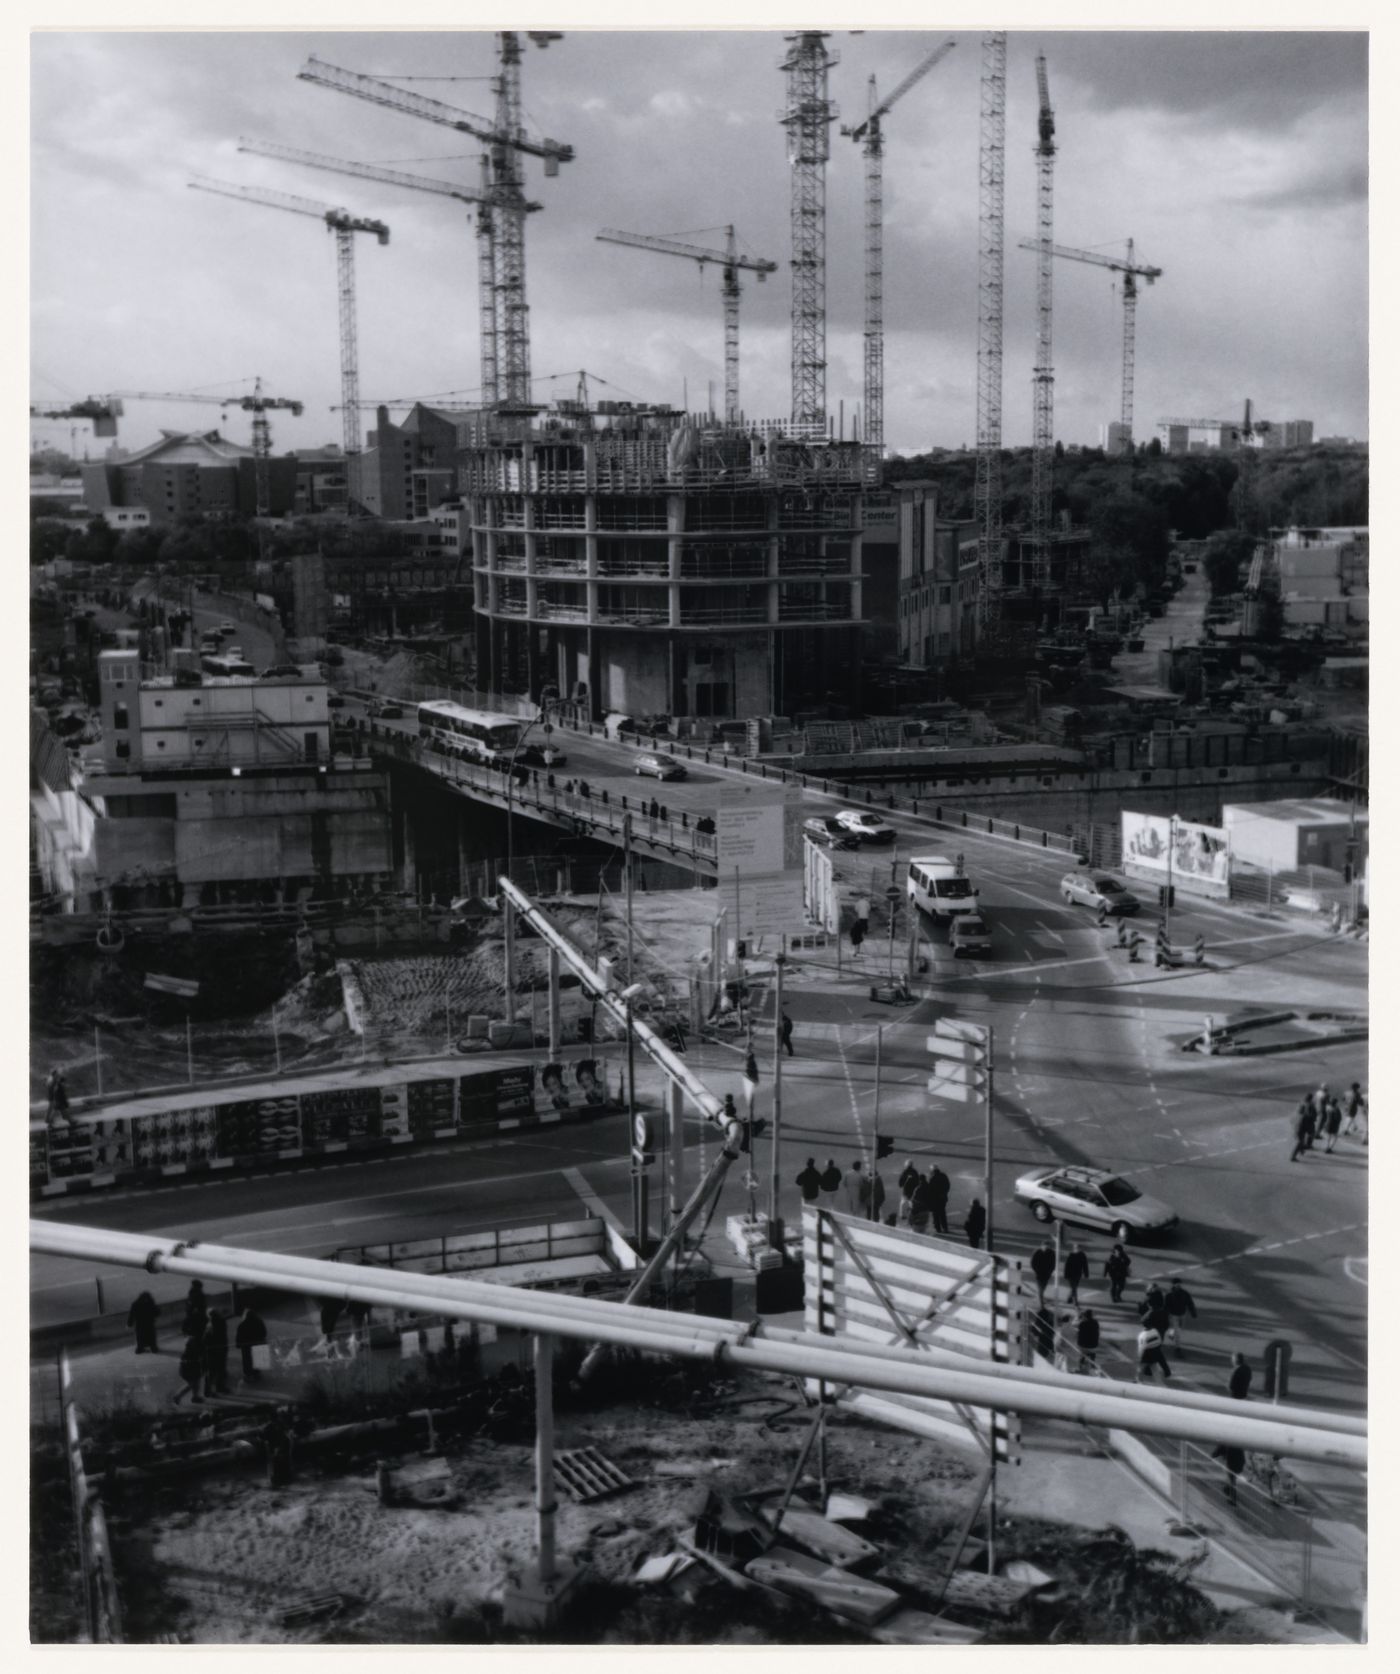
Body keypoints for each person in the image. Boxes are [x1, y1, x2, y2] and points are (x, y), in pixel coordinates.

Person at [236, 1304, 268, 1383]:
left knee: (247, 1361)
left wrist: (238, 1344)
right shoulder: (259, 1321)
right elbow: (264, 1332)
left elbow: (239, 1336)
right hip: (257, 1344)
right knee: (257, 1359)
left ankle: (248, 1375)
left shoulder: (242, 1324)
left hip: (246, 1346)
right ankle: (256, 1374)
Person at [1164, 1277, 1198, 1349]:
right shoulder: (1169, 1295)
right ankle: (1177, 1348)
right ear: (1173, 1285)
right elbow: (1166, 1306)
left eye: (1179, 1284)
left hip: (1182, 1314)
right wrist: (1165, 1315)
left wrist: (1193, 1312)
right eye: (1176, 1284)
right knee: (1178, 1333)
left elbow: (1190, 1303)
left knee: (1180, 1328)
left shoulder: (1185, 1293)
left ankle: (1171, 1333)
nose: (1178, 1285)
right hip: (1173, 1315)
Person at [172, 1332, 205, 1404]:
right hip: (189, 1368)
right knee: (192, 1384)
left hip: (192, 1367)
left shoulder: (190, 1347)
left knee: (196, 1382)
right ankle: (177, 1396)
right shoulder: (191, 1349)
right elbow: (200, 1354)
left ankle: (195, 1397)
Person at [203, 1309, 230, 1395]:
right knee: (221, 1370)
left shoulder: (209, 1326)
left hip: (211, 1352)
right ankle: (220, 1387)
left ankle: (207, 1390)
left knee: (211, 1372)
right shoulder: (222, 1323)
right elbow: (224, 1337)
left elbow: (205, 1340)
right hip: (221, 1350)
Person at [1213, 1441, 1245, 1506]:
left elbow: (1219, 1450)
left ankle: (1233, 1499)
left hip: (1232, 1463)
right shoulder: (1236, 1443)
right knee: (1231, 1478)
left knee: (1232, 1479)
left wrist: (1213, 1455)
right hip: (1238, 1462)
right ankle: (1228, 1488)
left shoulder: (1226, 1442)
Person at [127, 1290, 159, 1355]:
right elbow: (157, 1312)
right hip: (149, 1323)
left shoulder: (135, 1304)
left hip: (140, 1324)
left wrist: (129, 1324)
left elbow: (131, 1315)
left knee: (140, 1337)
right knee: (151, 1336)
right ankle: (153, 1348)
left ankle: (140, 1348)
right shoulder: (150, 1302)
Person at [1290, 1096, 1317, 1162]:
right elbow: (1307, 1124)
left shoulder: (1298, 1114)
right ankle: (1292, 1156)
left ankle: (1301, 1150)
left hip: (1297, 1127)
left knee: (1301, 1140)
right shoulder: (1304, 1117)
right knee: (1299, 1141)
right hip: (1300, 1129)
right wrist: (1310, 1131)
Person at [1030, 1240, 1056, 1305]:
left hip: (1047, 1275)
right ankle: (1041, 1305)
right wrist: (1036, 1271)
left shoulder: (1052, 1253)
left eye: (1047, 1247)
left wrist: (1050, 1271)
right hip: (1039, 1274)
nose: (1046, 1248)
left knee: (1043, 1288)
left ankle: (1039, 1298)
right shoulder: (1037, 1252)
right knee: (1040, 1289)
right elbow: (1033, 1263)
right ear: (1042, 1246)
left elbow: (1053, 1264)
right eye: (1045, 1246)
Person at [1076, 1308, 1101, 1374]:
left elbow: (1079, 1335)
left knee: (1082, 1355)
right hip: (1093, 1345)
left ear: (1085, 1316)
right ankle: (1092, 1365)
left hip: (1084, 1345)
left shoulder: (1082, 1324)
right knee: (1092, 1354)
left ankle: (1080, 1366)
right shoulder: (1096, 1323)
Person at [929, 1164, 951, 1235]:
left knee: (935, 1214)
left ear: (932, 1170)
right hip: (942, 1198)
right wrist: (944, 1193)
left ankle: (938, 1228)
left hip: (935, 1199)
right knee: (942, 1213)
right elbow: (948, 1186)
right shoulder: (943, 1176)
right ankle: (945, 1227)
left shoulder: (932, 1178)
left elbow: (930, 1189)